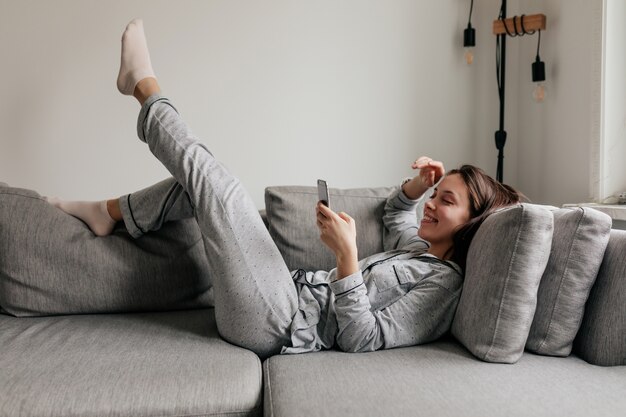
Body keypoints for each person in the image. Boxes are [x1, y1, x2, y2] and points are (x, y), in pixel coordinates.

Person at [47, 19, 522, 359]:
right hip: (282, 292)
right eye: (439, 196)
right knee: (203, 185)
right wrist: (420, 185)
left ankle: (144, 86)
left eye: (448, 200)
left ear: (473, 222)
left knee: (222, 189)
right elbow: (398, 212)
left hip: (278, 325)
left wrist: (347, 260)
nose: (434, 206)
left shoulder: (444, 285)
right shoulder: (418, 250)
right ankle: (112, 212)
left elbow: (364, 339)